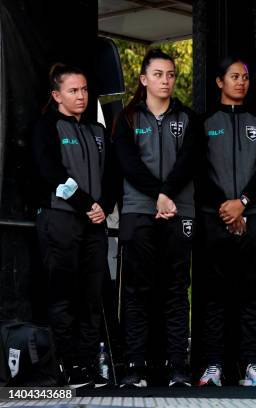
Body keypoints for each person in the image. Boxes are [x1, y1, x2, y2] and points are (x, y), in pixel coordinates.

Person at [113, 48, 197, 387]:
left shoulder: (188, 117)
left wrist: (167, 195)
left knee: (176, 290)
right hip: (138, 211)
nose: (166, 80)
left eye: (171, 74)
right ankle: (135, 366)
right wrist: (158, 195)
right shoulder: (128, 118)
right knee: (137, 291)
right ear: (144, 79)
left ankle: (177, 366)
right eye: (159, 74)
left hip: (179, 212)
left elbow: (188, 162)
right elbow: (129, 165)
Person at [32, 63, 115, 388]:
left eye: (83, 90)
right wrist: (86, 204)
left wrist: (104, 206)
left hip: (95, 224)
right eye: (73, 91)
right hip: (61, 219)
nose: (81, 96)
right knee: (63, 295)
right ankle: (65, 365)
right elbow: (50, 172)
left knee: (91, 297)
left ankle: (87, 365)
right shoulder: (46, 127)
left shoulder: (97, 131)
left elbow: (111, 175)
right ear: (57, 95)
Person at [195, 56, 256, 387]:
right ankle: (213, 365)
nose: (241, 81)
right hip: (214, 219)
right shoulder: (204, 122)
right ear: (219, 82)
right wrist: (225, 209)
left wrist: (241, 204)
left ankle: (252, 366)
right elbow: (199, 172)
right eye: (233, 76)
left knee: (252, 294)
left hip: (253, 218)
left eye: (244, 76)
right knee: (214, 295)